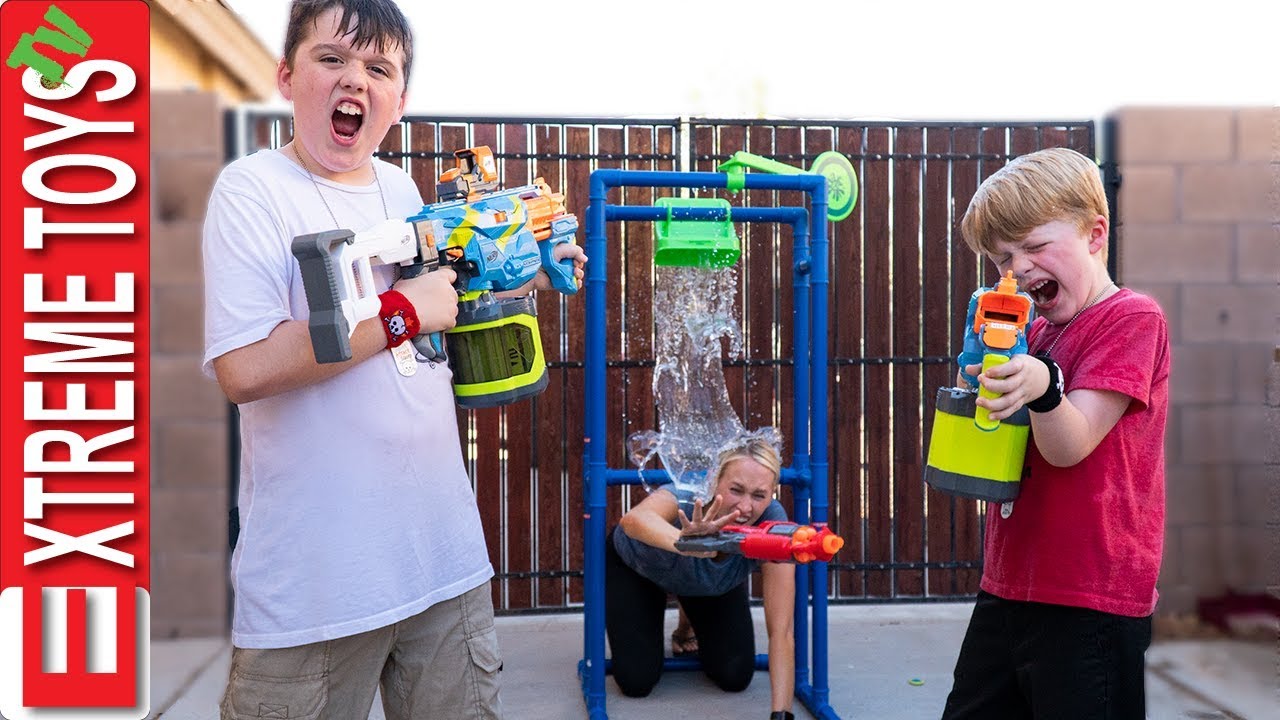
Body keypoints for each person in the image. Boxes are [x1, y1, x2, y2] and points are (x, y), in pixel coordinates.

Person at [201, 2, 586, 718]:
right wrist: (403, 310)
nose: (356, 80)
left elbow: (448, 304)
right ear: (288, 77)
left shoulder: (402, 191)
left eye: (378, 68)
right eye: (332, 59)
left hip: (444, 563)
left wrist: (530, 272)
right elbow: (245, 368)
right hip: (315, 592)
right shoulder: (252, 191)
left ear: (399, 102)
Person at [941, 147, 1170, 719]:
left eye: (1035, 246)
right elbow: (1000, 449)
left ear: (1095, 235)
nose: (1016, 270)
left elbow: (1069, 445)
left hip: (1091, 595)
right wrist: (984, 390)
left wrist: (1042, 388)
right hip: (1010, 582)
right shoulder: (1034, 334)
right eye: (1002, 258)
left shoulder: (1131, 320)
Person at [605, 438, 797, 720]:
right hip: (640, 569)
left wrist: (782, 715)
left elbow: (781, 631)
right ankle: (679, 614)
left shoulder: (772, 523)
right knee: (637, 682)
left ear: (772, 494)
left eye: (759, 495)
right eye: (735, 490)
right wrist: (687, 544)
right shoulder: (687, 494)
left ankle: (686, 625)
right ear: (714, 480)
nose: (745, 507)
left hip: (708, 585)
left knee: (735, 676)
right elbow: (634, 520)